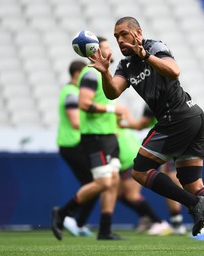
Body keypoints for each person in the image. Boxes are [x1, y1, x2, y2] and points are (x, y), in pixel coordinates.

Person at [88, 16, 204, 250]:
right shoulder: (125, 65)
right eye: (116, 36)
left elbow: (174, 71)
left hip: (178, 117)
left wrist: (145, 56)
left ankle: (193, 204)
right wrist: (104, 73)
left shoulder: (154, 47)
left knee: (139, 172)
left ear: (137, 33)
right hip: (189, 118)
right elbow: (112, 93)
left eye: (124, 34)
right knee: (191, 182)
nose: (119, 39)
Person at [52, 36, 127, 241]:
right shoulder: (91, 73)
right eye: (103, 48)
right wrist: (113, 109)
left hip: (108, 136)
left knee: (113, 182)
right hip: (95, 137)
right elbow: (84, 103)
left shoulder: (103, 74)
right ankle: (64, 212)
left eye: (109, 47)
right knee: (103, 182)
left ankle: (104, 230)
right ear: (94, 51)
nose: (109, 51)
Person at [120, 105, 188, 235]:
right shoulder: (175, 97)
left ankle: (183, 221)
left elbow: (140, 124)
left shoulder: (154, 99)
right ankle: (181, 221)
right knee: (186, 180)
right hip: (184, 137)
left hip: (170, 141)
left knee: (173, 180)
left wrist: (124, 119)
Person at [56, 60, 97, 237]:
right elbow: (75, 122)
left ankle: (75, 221)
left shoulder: (71, 92)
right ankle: (70, 217)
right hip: (72, 144)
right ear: (76, 74)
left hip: (73, 145)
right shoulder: (72, 94)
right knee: (95, 184)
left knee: (94, 184)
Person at [116, 126, 171, 235]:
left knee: (132, 196)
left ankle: (160, 223)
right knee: (119, 194)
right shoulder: (123, 128)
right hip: (128, 162)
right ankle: (146, 218)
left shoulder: (112, 130)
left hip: (130, 163)